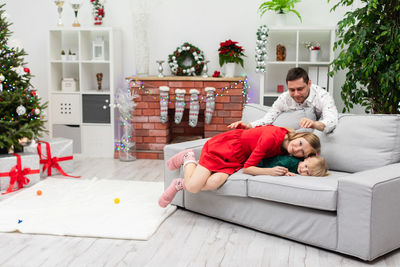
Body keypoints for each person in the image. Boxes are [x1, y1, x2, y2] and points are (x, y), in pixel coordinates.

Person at [158, 125, 321, 208]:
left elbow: (310, 160)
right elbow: (248, 168)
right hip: (224, 148)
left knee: (214, 182)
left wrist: (311, 159)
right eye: (300, 143)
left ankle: (180, 183)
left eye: (302, 152)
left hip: (236, 159)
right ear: (299, 135)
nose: (297, 149)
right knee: (193, 187)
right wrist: (271, 172)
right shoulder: (272, 138)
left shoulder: (288, 146)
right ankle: (188, 157)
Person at [228, 67, 339, 134]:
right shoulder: (284, 98)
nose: (296, 94)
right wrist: (248, 126)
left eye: (300, 89)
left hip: (315, 132)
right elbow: (268, 119)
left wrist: (314, 124)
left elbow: (332, 120)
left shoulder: (323, 96)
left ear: (309, 83)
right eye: (292, 90)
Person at [255, 155, 329, 177]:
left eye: (307, 173)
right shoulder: (291, 161)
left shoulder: (298, 170)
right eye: (306, 166)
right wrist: (284, 172)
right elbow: (278, 166)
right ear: (306, 159)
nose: (303, 170)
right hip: (263, 160)